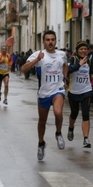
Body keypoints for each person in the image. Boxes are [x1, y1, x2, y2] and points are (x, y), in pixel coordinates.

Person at [21, 30, 68, 161]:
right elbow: (23, 69)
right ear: (43, 42)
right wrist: (37, 59)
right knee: (42, 121)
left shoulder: (61, 54)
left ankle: (58, 133)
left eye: (52, 39)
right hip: (44, 92)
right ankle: (41, 143)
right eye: (47, 40)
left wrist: (65, 78)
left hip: (58, 90)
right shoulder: (38, 54)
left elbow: (65, 65)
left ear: (56, 41)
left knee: (58, 112)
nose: (50, 42)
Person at [66, 41, 93, 148]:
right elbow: (68, 70)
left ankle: (86, 139)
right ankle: (71, 128)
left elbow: (88, 72)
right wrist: (78, 64)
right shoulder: (72, 59)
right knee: (74, 113)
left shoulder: (90, 61)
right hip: (74, 91)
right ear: (77, 51)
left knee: (86, 113)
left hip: (86, 90)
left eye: (85, 49)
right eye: (81, 49)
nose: (83, 51)